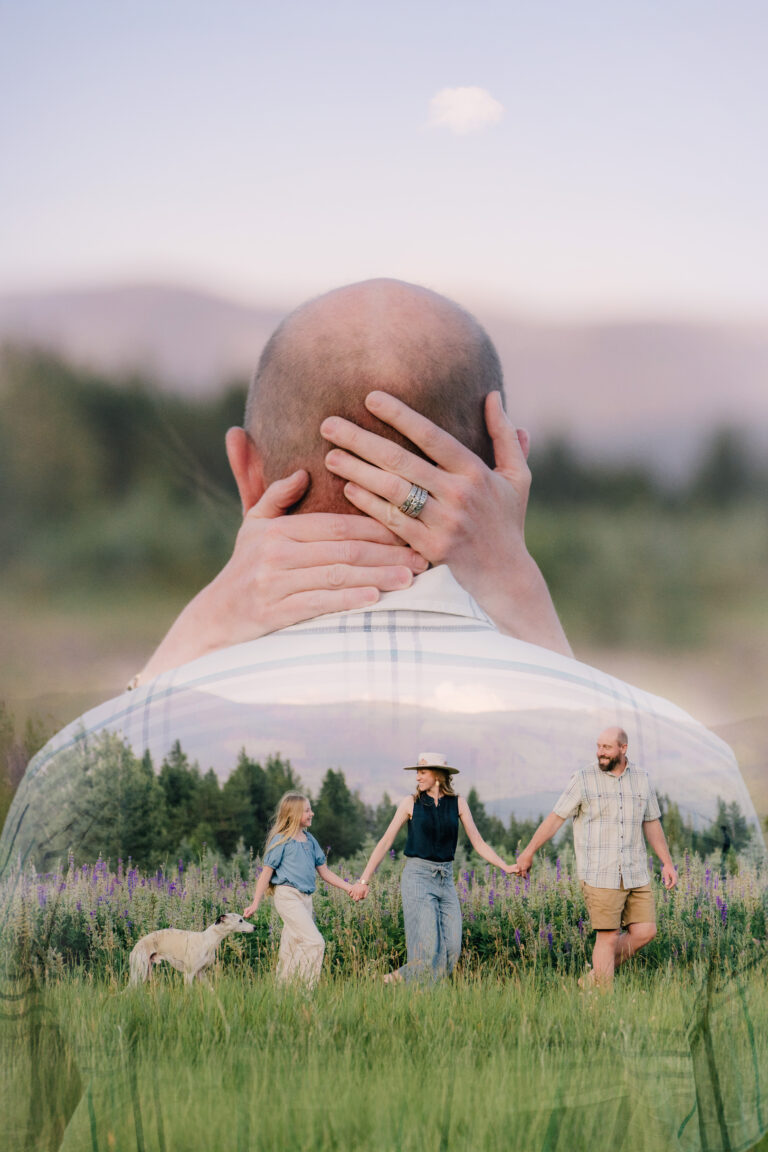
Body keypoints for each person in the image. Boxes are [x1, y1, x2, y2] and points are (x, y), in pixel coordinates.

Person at [514, 726, 678, 988]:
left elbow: (651, 822)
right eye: (599, 746)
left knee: (646, 932)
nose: (600, 752)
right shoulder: (583, 778)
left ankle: (592, 980)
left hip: (636, 872)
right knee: (608, 937)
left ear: (623, 748)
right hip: (600, 873)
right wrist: (528, 851)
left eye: (607, 747)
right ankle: (602, 1000)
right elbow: (556, 818)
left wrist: (667, 862)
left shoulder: (642, 779)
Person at [350, 752, 515, 983]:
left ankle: (392, 981)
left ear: (438, 774)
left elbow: (478, 842)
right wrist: (363, 880)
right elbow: (385, 842)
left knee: (452, 949)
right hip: (417, 878)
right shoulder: (410, 803)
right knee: (428, 950)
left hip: (445, 879)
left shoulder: (458, 803)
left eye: (422, 772)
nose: (417, 777)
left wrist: (505, 866)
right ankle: (413, 993)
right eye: (417, 772)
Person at [242, 792, 358, 987]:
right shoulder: (281, 840)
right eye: (307, 810)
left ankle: (284, 992)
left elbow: (325, 872)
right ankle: (304, 989)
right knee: (315, 942)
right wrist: (255, 903)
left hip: (305, 900)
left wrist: (349, 888)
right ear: (293, 814)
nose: (312, 813)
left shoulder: (310, 840)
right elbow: (266, 873)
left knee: (291, 947)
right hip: (288, 897)